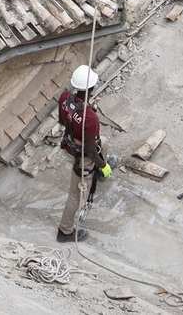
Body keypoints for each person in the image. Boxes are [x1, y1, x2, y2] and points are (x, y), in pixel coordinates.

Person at [56, 65, 107, 242]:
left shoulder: (65, 98)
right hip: (82, 157)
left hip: (69, 146)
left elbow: (62, 121)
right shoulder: (91, 118)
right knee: (75, 194)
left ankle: (98, 173)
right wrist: (103, 165)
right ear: (91, 88)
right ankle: (65, 231)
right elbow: (91, 151)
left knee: (104, 142)